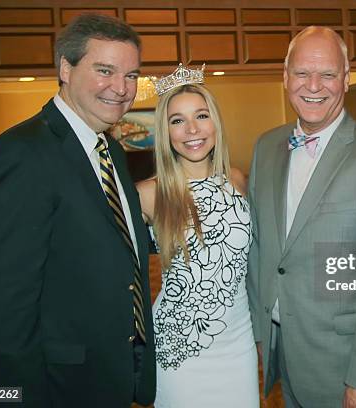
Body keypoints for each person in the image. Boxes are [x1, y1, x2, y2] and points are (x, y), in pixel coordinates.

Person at [0, 14, 155, 407]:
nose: (121, 89)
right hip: (48, 387)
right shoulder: (22, 154)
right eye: (105, 70)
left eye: (132, 75)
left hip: (102, 377)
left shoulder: (111, 151)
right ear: (65, 68)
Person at [247, 26, 356, 407]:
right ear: (285, 77)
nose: (314, 85)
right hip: (283, 352)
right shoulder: (267, 146)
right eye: (302, 73)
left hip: (347, 368)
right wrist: (261, 333)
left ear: (347, 78)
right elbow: (261, 247)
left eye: (328, 74)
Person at [136, 69, 258, 407]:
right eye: (177, 120)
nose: (192, 130)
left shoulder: (237, 181)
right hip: (179, 351)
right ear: (166, 132)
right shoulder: (148, 194)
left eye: (201, 116)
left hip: (238, 344)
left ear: (215, 123)